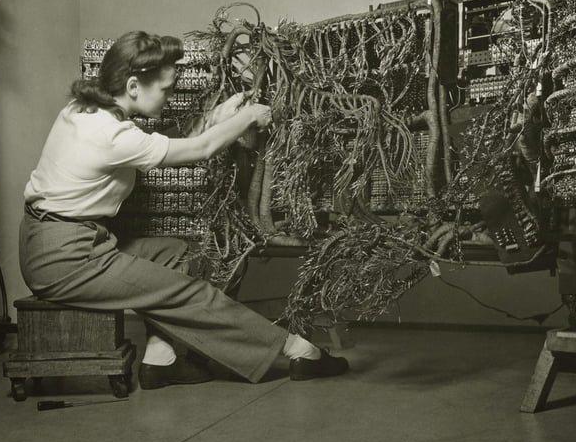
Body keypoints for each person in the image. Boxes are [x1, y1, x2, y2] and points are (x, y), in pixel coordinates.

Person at [19, 31, 348, 389]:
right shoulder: (110, 135)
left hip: (63, 241)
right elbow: (201, 149)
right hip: (66, 259)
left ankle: (161, 359)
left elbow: (171, 141)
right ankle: (297, 349)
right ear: (133, 86)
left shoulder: (86, 112)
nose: (170, 97)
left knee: (177, 255)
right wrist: (249, 115)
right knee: (186, 291)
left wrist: (218, 118)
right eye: (166, 89)